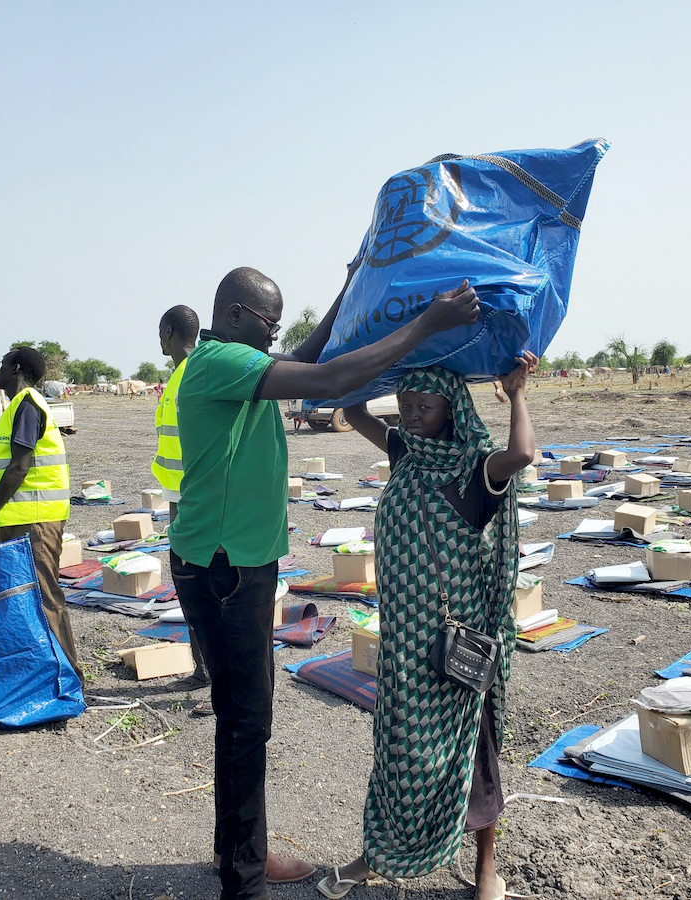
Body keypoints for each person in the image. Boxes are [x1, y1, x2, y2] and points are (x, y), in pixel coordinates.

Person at [168, 265, 480, 900]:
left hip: (226, 561)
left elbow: (309, 358)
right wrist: (429, 321)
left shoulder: (235, 361)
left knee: (243, 715)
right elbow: (329, 378)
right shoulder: (219, 360)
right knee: (245, 720)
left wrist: (351, 290)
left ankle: (240, 854)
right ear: (233, 316)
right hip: (227, 569)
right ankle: (244, 880)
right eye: (268, 323)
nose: (275, 335)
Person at [320, 355, 536, 900]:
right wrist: (377, 352)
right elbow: (350, 408)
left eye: (425, 406)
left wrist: (514, 395)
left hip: (455, 646)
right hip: (403, 639)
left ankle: (488, 866)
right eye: (405, 405)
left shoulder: (475, 468)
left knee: (473, 749)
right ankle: (378, 853)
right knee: (399, 750)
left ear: (452, 409)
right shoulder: (404, 453)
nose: (411, 416)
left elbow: (523, 454)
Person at [0, 347, 80, 675]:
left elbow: (19, 468)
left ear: (16, 368)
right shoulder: (17, 408)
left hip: (34, 520)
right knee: (23, 601)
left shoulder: (27, 405)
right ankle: (41, 675)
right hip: (18, 520)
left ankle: (68, 678)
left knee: (43, 598)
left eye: (2, 364)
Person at [151, 304, 211, 695]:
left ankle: (215, 680)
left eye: (160, 332)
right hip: (179, 500)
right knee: (190, 592)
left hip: (195, 501)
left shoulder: (197, 371)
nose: (158, 340)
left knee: (204, 592)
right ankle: (202, 671)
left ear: (170, 331)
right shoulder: (176, 377)